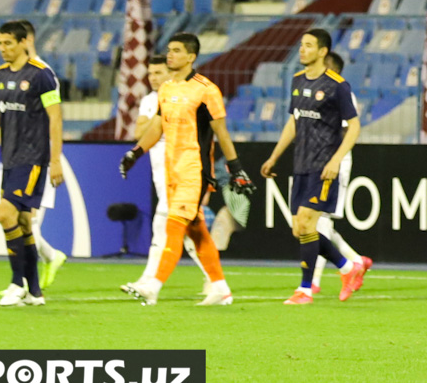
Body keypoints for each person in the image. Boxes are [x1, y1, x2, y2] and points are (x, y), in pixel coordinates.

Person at [116, 33, 250, 305]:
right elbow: (157, 126)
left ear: (191, 57)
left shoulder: (206, 90)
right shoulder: (166, 89)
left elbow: (221, 132)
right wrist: (135, 152)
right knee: (197, 229)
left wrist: (235, 168)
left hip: (195, 170)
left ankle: (153, 286)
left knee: (173, 226)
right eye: (169, 50)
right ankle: (221, 289)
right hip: (172, 169)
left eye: (176, 51)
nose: (170, 54)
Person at [259, 29, 365, 305]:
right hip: (301, 164)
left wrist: (336, 160)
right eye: (301, 44)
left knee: (307, 222)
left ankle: (305, 290)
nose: (302, 50)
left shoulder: (337, 85)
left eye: (308, 45)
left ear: (322, 52)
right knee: (300, 229)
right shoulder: (296, 81)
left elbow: (354, 127)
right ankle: (347, 266)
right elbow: (294, 122)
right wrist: (274, 156)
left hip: (323, 166)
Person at [0, 22, 63, 306]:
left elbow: (55, 118)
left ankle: (16, 284)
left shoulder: (41, 75)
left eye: (8, 43)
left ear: (23, 43)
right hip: (9, 157)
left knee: (4, 214)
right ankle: (34, 292)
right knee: (22, 222)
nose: (3, 48)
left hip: (33, 159)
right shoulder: (0, 76)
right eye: (0, 43)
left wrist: (55, 160)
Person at [133, 55, 210, 292]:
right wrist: (160, 119)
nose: (153, 78)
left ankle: (148, 281)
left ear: (171, 73)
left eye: (158, 73)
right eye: (150, 74)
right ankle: (215, 280)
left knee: (163, 224)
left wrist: (159, 121)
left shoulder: (187, 96)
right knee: (190, 232)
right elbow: (140, 132)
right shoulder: (150, 100)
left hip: (182, 170)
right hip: (161, 173)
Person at [306, 51, 370, 298]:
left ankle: (313, 280)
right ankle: (355, 261)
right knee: (315, 221)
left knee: (319, 221)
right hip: (315, 162)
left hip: (335, 162)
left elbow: (346, 132)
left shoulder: (343, 93)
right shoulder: (315, 90)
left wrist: (331, 158)